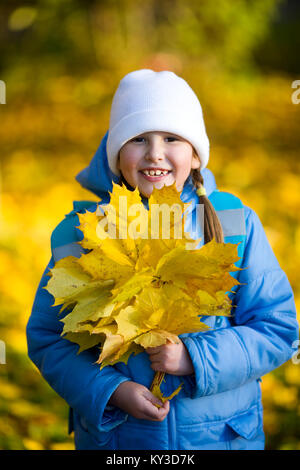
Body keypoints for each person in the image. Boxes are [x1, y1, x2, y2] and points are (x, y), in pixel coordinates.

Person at [27, 69, 298, 450]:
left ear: (195, 154)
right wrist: (112, 391)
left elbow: (277, 328)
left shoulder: (231, 224)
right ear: (117, 155)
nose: (155, 153)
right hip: (121, 441)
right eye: (138, 139)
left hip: (221, 439)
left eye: (172, 138)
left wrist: (196, 359)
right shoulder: (85, 234)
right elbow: (48, 339)